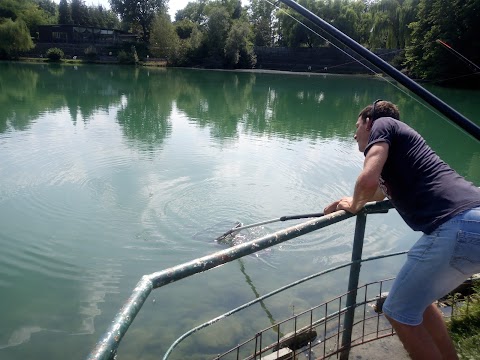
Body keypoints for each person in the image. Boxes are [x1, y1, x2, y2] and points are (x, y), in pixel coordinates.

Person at [323, 100, 480, 359]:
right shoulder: (401, 150)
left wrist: (353, 206)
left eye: (357, 126)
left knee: (397, 311)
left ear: (368, 122)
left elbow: (367, 180)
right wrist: (346, 201)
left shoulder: (382, 125)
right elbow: (376, 191)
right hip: (471, 222)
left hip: (454, 227)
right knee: (420, 302)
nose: (354, 135)